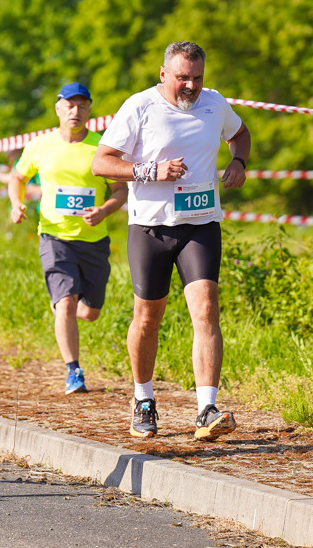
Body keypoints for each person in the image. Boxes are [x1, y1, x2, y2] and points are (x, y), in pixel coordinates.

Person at [92, 41, 251, 441]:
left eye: (197, 78)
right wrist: (150, 170)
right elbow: (101, 161)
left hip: (200, 224)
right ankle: (143, 399)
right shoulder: (140, 107)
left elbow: (241, 134)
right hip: (151, 228)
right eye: (183, 78)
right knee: (148, 318)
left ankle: (206, 408)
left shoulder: (214, 104)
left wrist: (238, 161)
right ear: (164, 74)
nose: (190, 86)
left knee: (206, 309)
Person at [9, 83, 128, 395]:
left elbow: (120, 191)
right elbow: (17, 177)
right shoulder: (40, 145)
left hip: (93, 240)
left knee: (89, 312)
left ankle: (69, 303)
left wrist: (103, 211)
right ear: (58, 108)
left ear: (89, 111)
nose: (76, 111)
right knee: (65, 305)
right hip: (54, 237)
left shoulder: (101, 148)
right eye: (69, 106)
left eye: (82, 106)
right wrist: (15, 203)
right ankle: (73, 372)